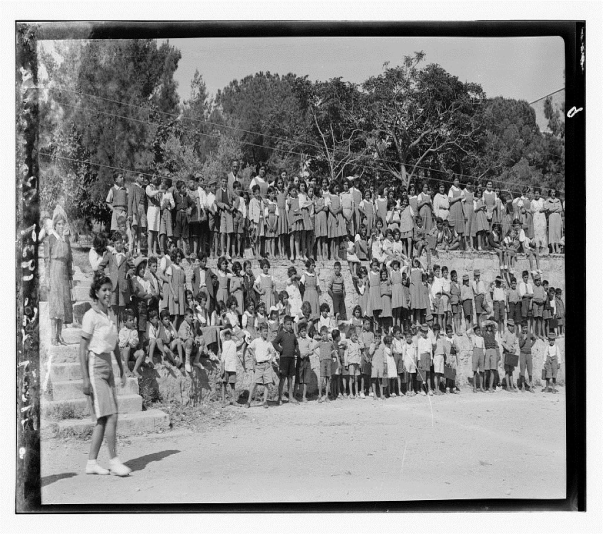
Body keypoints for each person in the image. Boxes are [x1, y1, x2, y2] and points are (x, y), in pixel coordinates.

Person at [79, 273, 131, 476]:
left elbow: (115, 345)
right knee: (110, 415)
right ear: (96, 293)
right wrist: (85, 379)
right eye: (104, 290)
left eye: (110, 289)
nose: (108, 293)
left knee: (103, 418)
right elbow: (82, 349)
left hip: (108, 366)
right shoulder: (90, 316)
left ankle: (91, 463)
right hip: (95, 367)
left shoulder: (110, 316)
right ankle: (113, 460)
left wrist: (121, 368)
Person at [45, 211, 74, 345]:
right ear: (55, 226)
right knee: (55, 305)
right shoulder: (51, 238)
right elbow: (47, 260)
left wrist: (70, 279)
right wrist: (47, 278)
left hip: (63, 274)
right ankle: (53, 336)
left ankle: (60, 335)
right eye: (59, 224)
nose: (62, 227)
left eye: (63, 224)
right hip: (54, 271)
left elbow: (69, 261)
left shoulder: (66, 240)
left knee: (63, 304)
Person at [272, 316, 299, 405]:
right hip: (284, 358)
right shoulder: (281, 334)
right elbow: (274, 342)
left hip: (291, 358)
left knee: (290, 378)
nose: (289, 326)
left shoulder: (292, 335)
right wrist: (279, 349)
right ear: (283, 325)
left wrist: (296, 350)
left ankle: (291, 397)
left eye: (290, 324)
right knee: (282, 378)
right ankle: (279, 397)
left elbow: (296, 343)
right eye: (287, 324)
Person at [119, 308, 145, 378]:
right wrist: (129, 342)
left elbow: (135, 343)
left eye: (133, 320)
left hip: (132, 353)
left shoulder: (134, 331)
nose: (132, 322)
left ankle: (135, 370)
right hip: (124, 353)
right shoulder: (122, 331)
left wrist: (129, 342)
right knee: (127, 348)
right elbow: (122, 343)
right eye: (130, 320)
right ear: (125, 322)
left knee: (141, 352)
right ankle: (126, 367)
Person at [296, 322, 316, 402]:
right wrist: (299, 354)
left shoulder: (308, 341)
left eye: (305, 331)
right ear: (299, 332)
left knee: (305, 379)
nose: (304, 333)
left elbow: (312, 351)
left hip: (307, 360)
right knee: (298, 378)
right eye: (302, 331)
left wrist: (308, 353)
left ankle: (304, 396)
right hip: (300, 360)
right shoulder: (297, 341)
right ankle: (294, 395)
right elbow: (295, 350)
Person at [316, 326, 337, 403]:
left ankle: (327, 396)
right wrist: (320, 356)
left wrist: (332, 355)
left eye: (324, 334)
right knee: (321, 379)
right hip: (322, 361)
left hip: (329, 361)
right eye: (322, 335)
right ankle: (320, 395)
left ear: (327, 334)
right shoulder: (320, 343)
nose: (323, 336)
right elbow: (313, 349)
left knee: (328, 379)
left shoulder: (330, 343)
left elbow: (334, 350)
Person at [219, 328, 239, 407]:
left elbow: (240, 338)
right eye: (226, 335)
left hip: (232, 365)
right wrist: (227, 329)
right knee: (224, 384)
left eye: (229, 334)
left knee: (232, 384)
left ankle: (233, 400)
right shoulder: (224, 342)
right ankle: (223, 401)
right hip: (225, 365)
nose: (227, 336)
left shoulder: (233, 342)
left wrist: (233, 333)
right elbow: (221, 333)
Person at [501, 319, 520, 392]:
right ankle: (508, 386)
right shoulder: (506, 333)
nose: (511, 327)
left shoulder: (514, 334)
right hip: (506, 353)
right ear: (507, 326)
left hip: (512, 353)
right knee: (507, 370)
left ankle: (512, 386)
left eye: (512, 326)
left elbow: (516, 343)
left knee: (511, 370)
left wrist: (514, 349)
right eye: (510, 326)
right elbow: (503, 342)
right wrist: (508, 348)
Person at [518, 322, 537, 392]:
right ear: (522, 328)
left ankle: (530, 386)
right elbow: (520, 345)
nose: (525, 329)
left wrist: (530, 345)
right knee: (522, 370)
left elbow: (534, 339)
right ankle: (523, 386)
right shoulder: (520, 334)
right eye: (524, 328)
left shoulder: (529, 333)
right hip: (522, 354)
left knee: (530, 370)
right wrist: (524, 339)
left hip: (529, 353)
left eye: (526, 327)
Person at [466, 324, 485, 393]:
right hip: (475, 351)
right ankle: (474, 387)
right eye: (477, 330)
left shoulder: (482, 338)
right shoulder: (473, 337)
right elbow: (467, 332)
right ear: (474, 331)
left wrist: (484, 354)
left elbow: (484, 347)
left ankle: (481, 386)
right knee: (474, 371)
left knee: (481, 371)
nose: (478, 332)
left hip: (481, 352)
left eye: (479, 330)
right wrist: (473, 327)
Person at [417, 324, 434, 396]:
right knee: (422, 374)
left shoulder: (429, 339)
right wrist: (419, 360)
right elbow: (419, 351)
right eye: (423, 332)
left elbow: (430, 350)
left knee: (428, 374)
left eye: (425, 332)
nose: (424, 333)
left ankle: (429, 389)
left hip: (428, 356)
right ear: (421, 332)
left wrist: (431, 359)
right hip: (422, 356)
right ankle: (422, 389)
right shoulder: (420, 340)